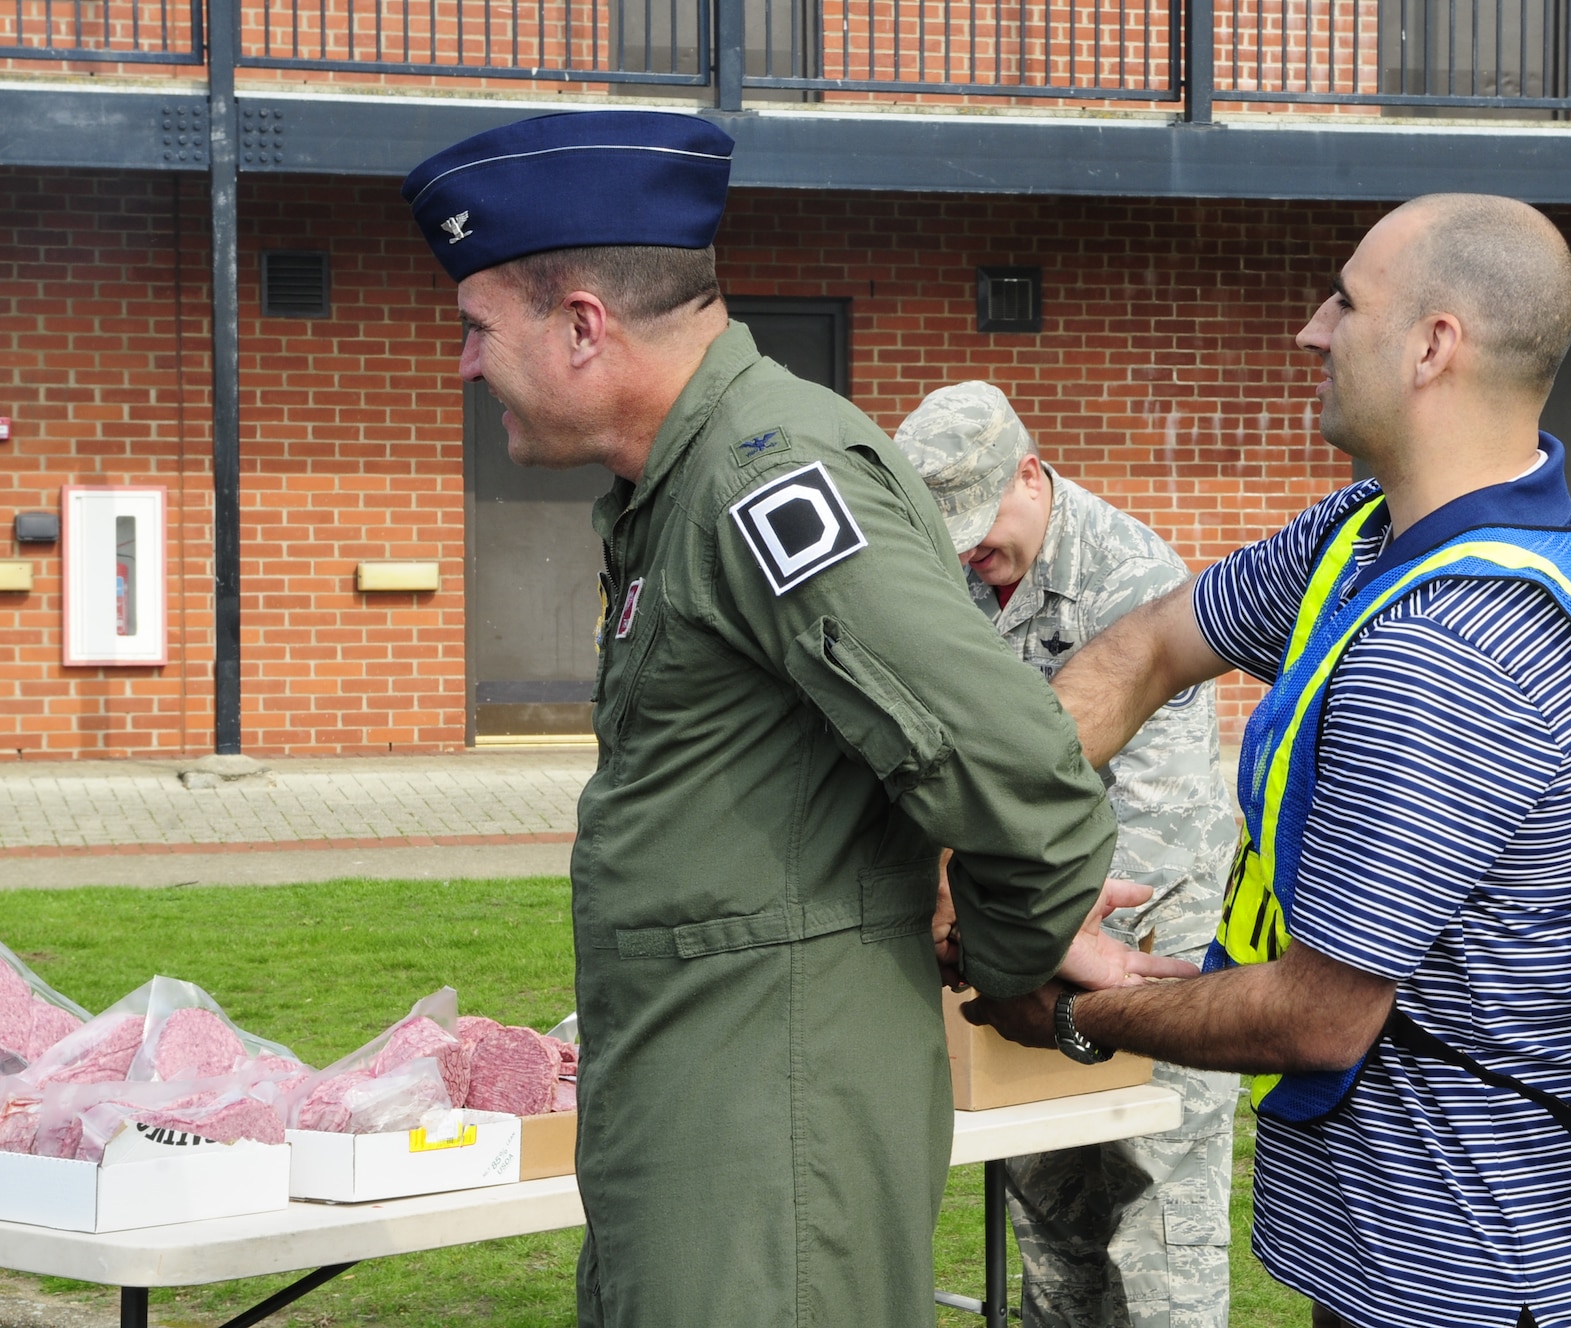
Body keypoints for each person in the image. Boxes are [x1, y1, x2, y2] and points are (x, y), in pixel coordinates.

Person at [402, 110, 1187, 1328]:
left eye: (473, 327)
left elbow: (1011, 768)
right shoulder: (679, 483)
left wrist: (1006, 948)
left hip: (767, 1144)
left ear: (579, 326)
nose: (460, 364)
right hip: (706, 1115)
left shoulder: (764, 476)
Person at [966, 194, 1571, 1328]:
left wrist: (1065, 1010)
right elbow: (1152, 645)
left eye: (1344, 300)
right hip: (1412, 1246)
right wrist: (984, 840)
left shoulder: (1453, 645)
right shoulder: (1365, 534)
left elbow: (1316, 1014)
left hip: (1476, 1269)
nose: (1310, 327)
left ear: (1430, 345)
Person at [893, 382, 1240, 1328]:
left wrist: (988, 918)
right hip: (1018, 953)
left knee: (1156, 1239)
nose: (969, 551)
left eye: (980, 523)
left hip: (1144, 950)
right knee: (1053, 1240)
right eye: (949, 531)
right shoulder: (942, 577)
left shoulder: (1134, 579)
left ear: (1031, 475)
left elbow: (1150, 839)